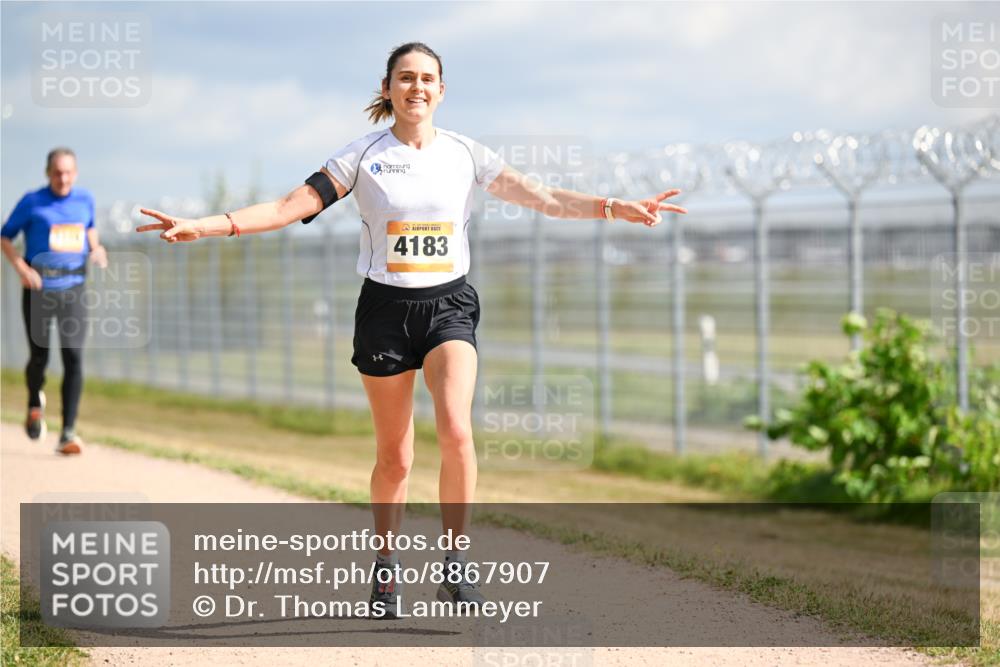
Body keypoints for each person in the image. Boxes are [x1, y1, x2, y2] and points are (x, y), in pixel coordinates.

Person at [137, 42, 686, 617]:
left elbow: (541, 196)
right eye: (405, 78)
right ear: (388, 89)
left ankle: (455, 560)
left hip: (450, 303)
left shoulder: (465, 153)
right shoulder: (361, 156)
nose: (416, 87)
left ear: (442, 90)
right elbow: (288, 206)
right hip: (385, 312)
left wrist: (612, 206)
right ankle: (386, 570)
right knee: (396, 456)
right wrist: (207, 226)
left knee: (456, 430)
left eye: (427, 78)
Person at [1, 147, 108, 455]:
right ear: (48, 173)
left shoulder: (85, 199)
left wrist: (96, 249)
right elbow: (4, 236)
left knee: (73, 355)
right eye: (57, 172)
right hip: (38, 289)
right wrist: (22, 268)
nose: (63, 178)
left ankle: (68, 432)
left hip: (73, 287)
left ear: (75, 173)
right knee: (40, 356)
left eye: (68, 172)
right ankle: (35, 401)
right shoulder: (32, 202)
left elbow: (89, 228)